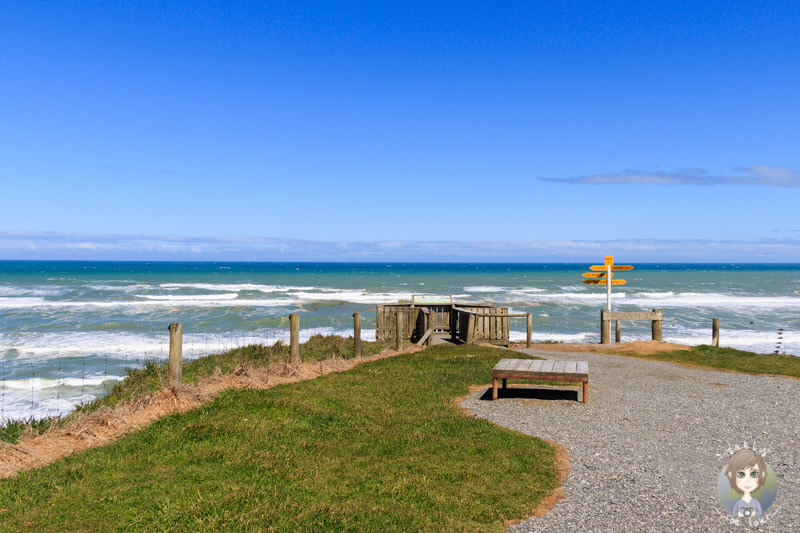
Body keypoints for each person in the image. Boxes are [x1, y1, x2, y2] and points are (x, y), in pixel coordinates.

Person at [725, 448, 766, 518]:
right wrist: (740, 514)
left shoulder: (755, 502)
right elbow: (734, 513)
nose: (747, 480)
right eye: (740, 474)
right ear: (731, 475)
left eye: (754, 474)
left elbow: (759, 513)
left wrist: (753, 513)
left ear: (762, 475)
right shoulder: (738, 502)